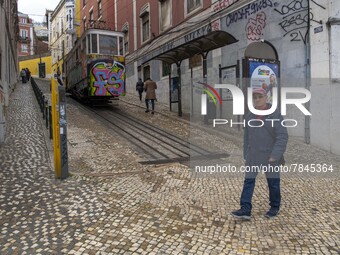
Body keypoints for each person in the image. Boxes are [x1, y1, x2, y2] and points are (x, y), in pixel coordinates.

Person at [231, 87, 288, 220]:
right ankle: (245, 209)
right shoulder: (250, 115)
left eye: (260, 97)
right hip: (253, 155)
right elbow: (247, 136)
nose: (257, 100)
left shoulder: (275, 115)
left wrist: (275, 155)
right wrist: (246, 152)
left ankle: (274, 206)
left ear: (266, 98)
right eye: (254, 97)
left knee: (273, 182)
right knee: (248, 181)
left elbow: (282, 136)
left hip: (270, 155)